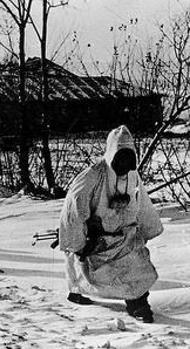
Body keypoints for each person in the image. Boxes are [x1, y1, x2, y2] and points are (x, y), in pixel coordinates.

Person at [59, 125, 163, 323]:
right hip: (97, 240)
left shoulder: (133, 176)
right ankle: (77, 292)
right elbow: (73, 210)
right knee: (86, 273)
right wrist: (79, 243)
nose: (124, 164)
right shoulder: (92, 176)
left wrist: (148, 230)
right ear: (111, 154)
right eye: (120, 157)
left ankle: (139, 304)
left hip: (126, 238)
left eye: (128, 158)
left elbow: (142, 204)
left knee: (138, 268)